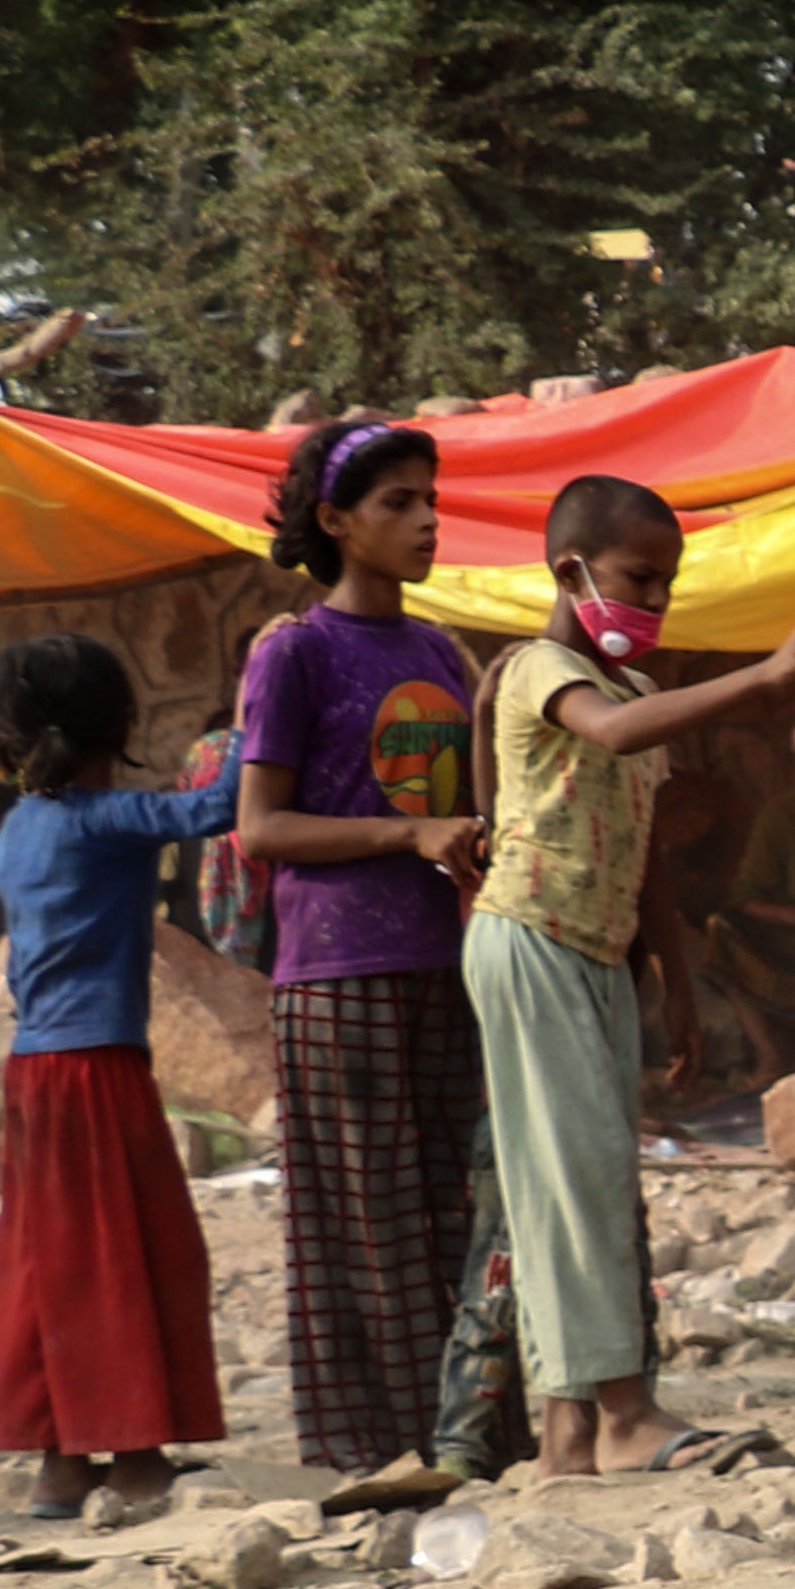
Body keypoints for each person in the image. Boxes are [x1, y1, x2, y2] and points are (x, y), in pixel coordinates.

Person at [477, 477, 795, 1478]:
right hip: (533, 937)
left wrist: (674, 975)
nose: (656, 602)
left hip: (593, 951)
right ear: (569, 571)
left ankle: (572, 1432)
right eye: (639, 578)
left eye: (668, 583)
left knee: (586, 1179)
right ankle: (619, 1412)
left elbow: (647, 852)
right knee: (574, 1178)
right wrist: (760, 683)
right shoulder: (543, 669)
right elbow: (614, 736)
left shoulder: (633, 690)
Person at [232, 420, 491, 1482]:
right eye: (397, 501)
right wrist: (408, 833)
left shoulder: (439, 652)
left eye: (429, 496)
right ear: (336, 523)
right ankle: (376, 1446)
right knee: (363, 1215)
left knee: (450, 1203)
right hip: (336, 975)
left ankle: (465, 1429)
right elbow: (259, 827)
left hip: (444, 965)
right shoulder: (293, 653)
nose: (426, 518)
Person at [0, 635, 236, 1524]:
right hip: (100, 1068)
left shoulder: (16, 830)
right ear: (119, 725)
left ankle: (60, 1461)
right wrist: (253, 717)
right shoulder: (108, 817)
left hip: (31, 1071)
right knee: (130, 1249)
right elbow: (221, 807)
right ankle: (134, 1455)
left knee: (51, 1259)